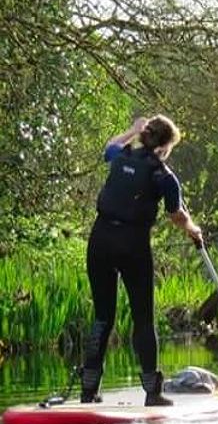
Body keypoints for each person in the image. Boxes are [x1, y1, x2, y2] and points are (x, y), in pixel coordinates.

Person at [80, 115, 203, 406]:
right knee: (143, 319)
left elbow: (109, 146)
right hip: (132, 245)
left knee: (102, 317)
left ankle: (88, 389)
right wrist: (193, 230)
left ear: (144, 136)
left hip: (100, 240)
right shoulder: (164, 176)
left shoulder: (121, 155)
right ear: (165, 147)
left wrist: (131, 132)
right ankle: (152, 393)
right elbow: (177, 215)